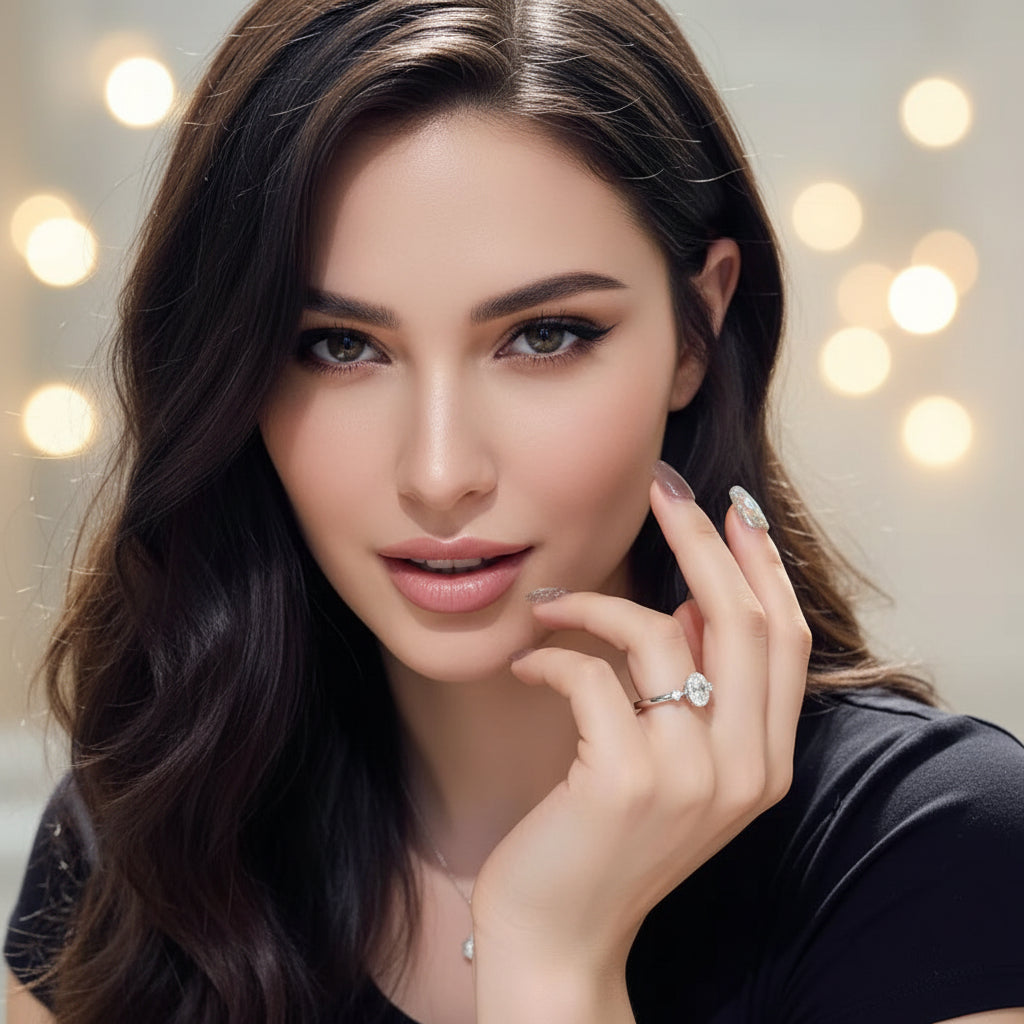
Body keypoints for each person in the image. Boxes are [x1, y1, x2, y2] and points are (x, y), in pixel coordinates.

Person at [5, 0, 1024, 1021]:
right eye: (337, 344)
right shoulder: (150, 842)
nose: (440, 472)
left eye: (543, 335)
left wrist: (553, 958)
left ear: (694, 332)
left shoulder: (930, 852)